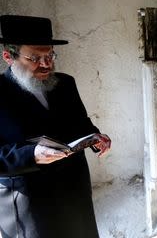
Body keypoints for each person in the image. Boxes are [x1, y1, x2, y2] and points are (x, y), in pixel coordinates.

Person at [0, 15, 111, 238]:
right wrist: (33, 155)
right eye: (35, 57)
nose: (46, 64)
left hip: (74, 192)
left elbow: (80, 123)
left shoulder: (65, 83)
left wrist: (94, 137)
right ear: (8, 57)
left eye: (50, 55)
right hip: (31, 202)